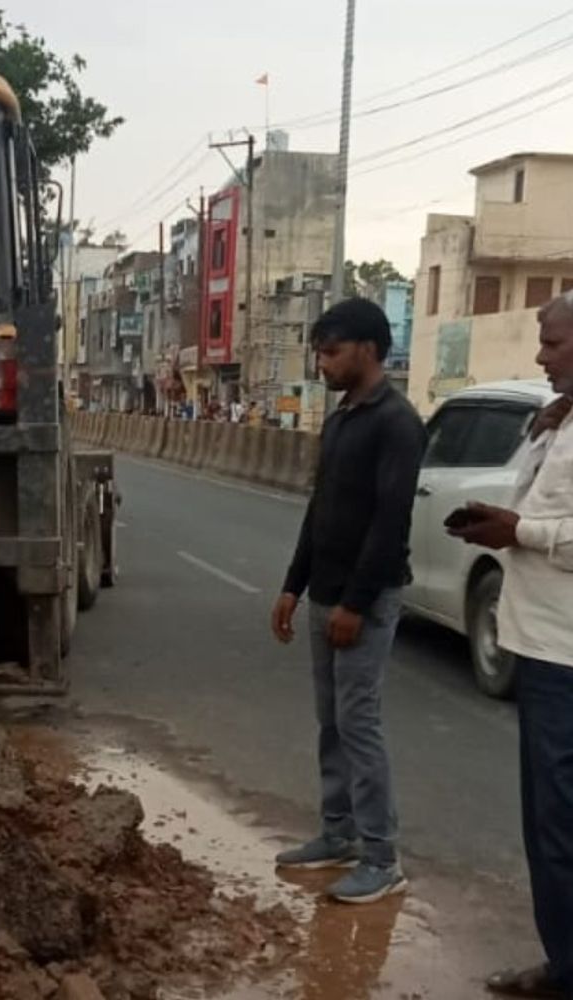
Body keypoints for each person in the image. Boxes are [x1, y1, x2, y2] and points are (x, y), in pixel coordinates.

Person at [270, 297, 426, 904]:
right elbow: (321, 510)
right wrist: (293, 584)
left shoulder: (397, 422)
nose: (322, 362)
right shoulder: (339, 420)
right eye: (319, 351)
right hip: (324, 596)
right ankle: (338, 835)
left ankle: (381, 857)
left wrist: (356, 604)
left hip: (366, 600)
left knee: (359, 724)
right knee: (330, 721)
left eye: (331, 351)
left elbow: (390, 524)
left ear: (367, 348)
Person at [447, 293, 573, 1000]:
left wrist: (517, 533)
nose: (540, 356)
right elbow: (533, 502)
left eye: (553, 344)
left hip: (567, 654)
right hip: (540, 643)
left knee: (561, 828)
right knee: (547, 825)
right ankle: (561, 964)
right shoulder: (555, 422)